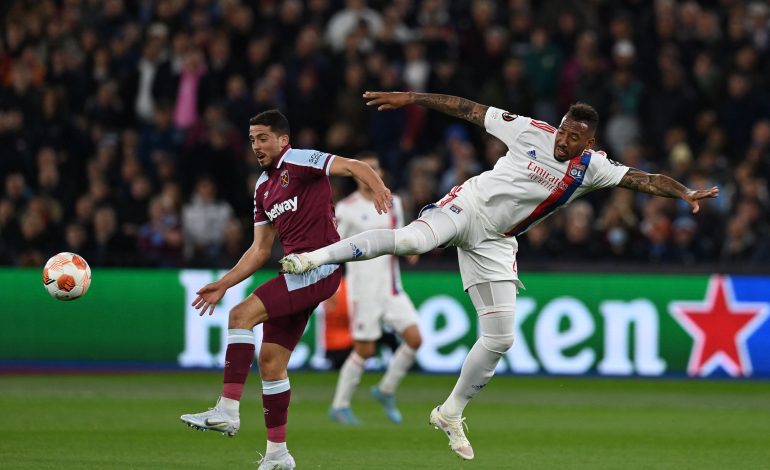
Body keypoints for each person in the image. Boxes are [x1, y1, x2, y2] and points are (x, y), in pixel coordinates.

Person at [280, 91, 719, 460]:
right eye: (563, 129)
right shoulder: (530, 130)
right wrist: (411, 99)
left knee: (501, 338)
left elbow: (644, 179)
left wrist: (684, 193)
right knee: (411, 241)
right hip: (467, 207)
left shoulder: (593, 168)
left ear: (589, 142)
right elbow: (466, 108)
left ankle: (449, 412)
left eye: (573, 137)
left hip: (496, 243)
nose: (563, 140)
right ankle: (314, 258)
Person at [180, 109, 391, 470]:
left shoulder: (302, 159)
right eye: (251, 140)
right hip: (297, 272)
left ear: (282, 140)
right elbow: (259, 250)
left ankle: (228, 410)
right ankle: (279, 455)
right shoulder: (263, 188)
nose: (256, 146)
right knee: (272, 363)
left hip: (319, 267)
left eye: (263, 138)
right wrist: (223, 283)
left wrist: (379, 188)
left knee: (240, 316)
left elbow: (355, 166)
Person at [329, 152, 422, 425]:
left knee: (415, 339)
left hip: (391, 288)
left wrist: (410, 249)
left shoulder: (394, 204)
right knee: (365, 350)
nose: (373, 172)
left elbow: (401, 236)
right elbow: (334, 249)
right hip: (363, 290)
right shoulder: (346, 208)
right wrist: (332, 288)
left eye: (377, 167)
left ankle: (385, 389)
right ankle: (340, 405)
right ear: (357, 174)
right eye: (367, 168)